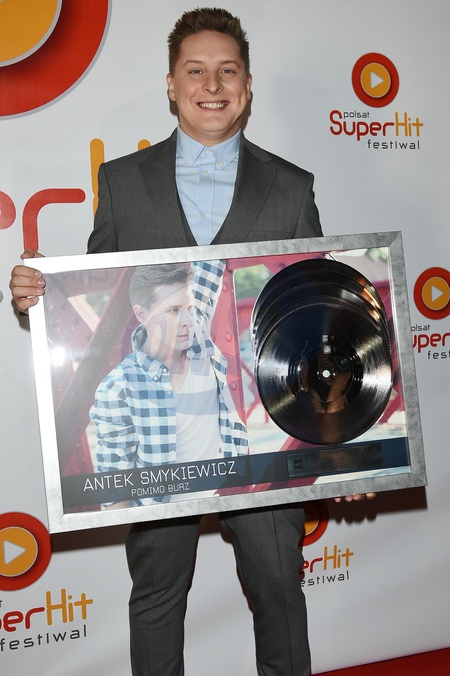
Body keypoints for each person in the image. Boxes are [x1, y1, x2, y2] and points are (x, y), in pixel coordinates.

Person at [10, 8, 375, 675]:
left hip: (255, 434)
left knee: (279, 591)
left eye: (227, 70)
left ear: (247, 85)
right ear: (172, 85)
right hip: (156, 440)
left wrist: (342, 445)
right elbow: (107, 304)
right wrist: (44, 294)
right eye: (196, 70)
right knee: (156, 595)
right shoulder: (122, 181)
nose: (212, 85)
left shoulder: (292, 187)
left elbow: (319, 321)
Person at [90, 259, 247, 507]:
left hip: (221, 499)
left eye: (190, 308)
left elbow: (212, 257)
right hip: (163, 516)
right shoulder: (118, 388)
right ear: (142, 314)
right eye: (173, 311)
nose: (187, 320)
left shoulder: (196, 332)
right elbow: (115, 490)